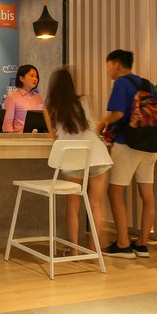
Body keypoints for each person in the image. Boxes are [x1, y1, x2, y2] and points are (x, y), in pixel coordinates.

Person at [43, 68, 112, 256]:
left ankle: (74, 251)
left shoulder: (49, 107)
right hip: (96, 154)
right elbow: (93, 127)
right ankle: (94, 251)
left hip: (72, 158)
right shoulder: (85, 100)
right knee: (96, 205)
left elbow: (53, 137)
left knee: (73, 207)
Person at [97, 49, 157, 259]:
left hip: (128, 144)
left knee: (115, 192)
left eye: (108, 66)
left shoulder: (121, 82)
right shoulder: (147, 84)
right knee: (147, 195)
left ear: (116, 64)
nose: (107, 70)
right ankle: (141, 244)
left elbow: (119, 113)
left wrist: (101, 123)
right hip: (150, 145)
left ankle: (123, 244)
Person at [2, 65, 44, 133]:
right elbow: (7, 124)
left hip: (39, 137)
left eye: (36, 76)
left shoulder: (38, 97)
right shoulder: (12, 97)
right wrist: (14, 138)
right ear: (21, 78)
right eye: (32, 76)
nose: (35, 79)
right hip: (20, 138)